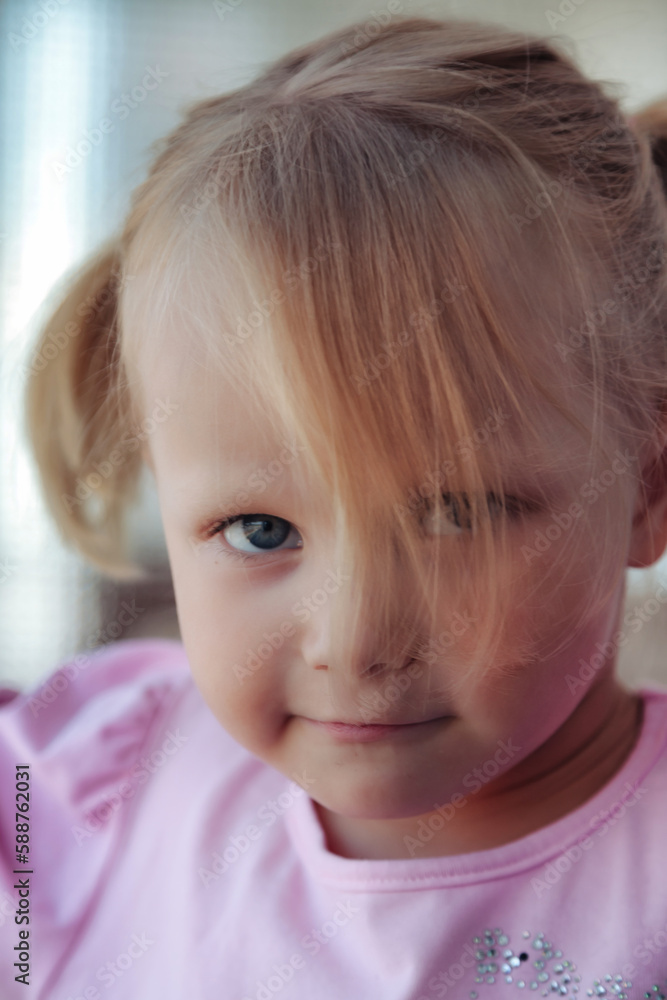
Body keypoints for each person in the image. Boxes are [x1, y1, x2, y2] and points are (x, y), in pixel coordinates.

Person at [1, 13, 667, 999]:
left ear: (648, 488)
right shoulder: (86, 788)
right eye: (259, 531)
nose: (353, 641)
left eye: (456, 514)